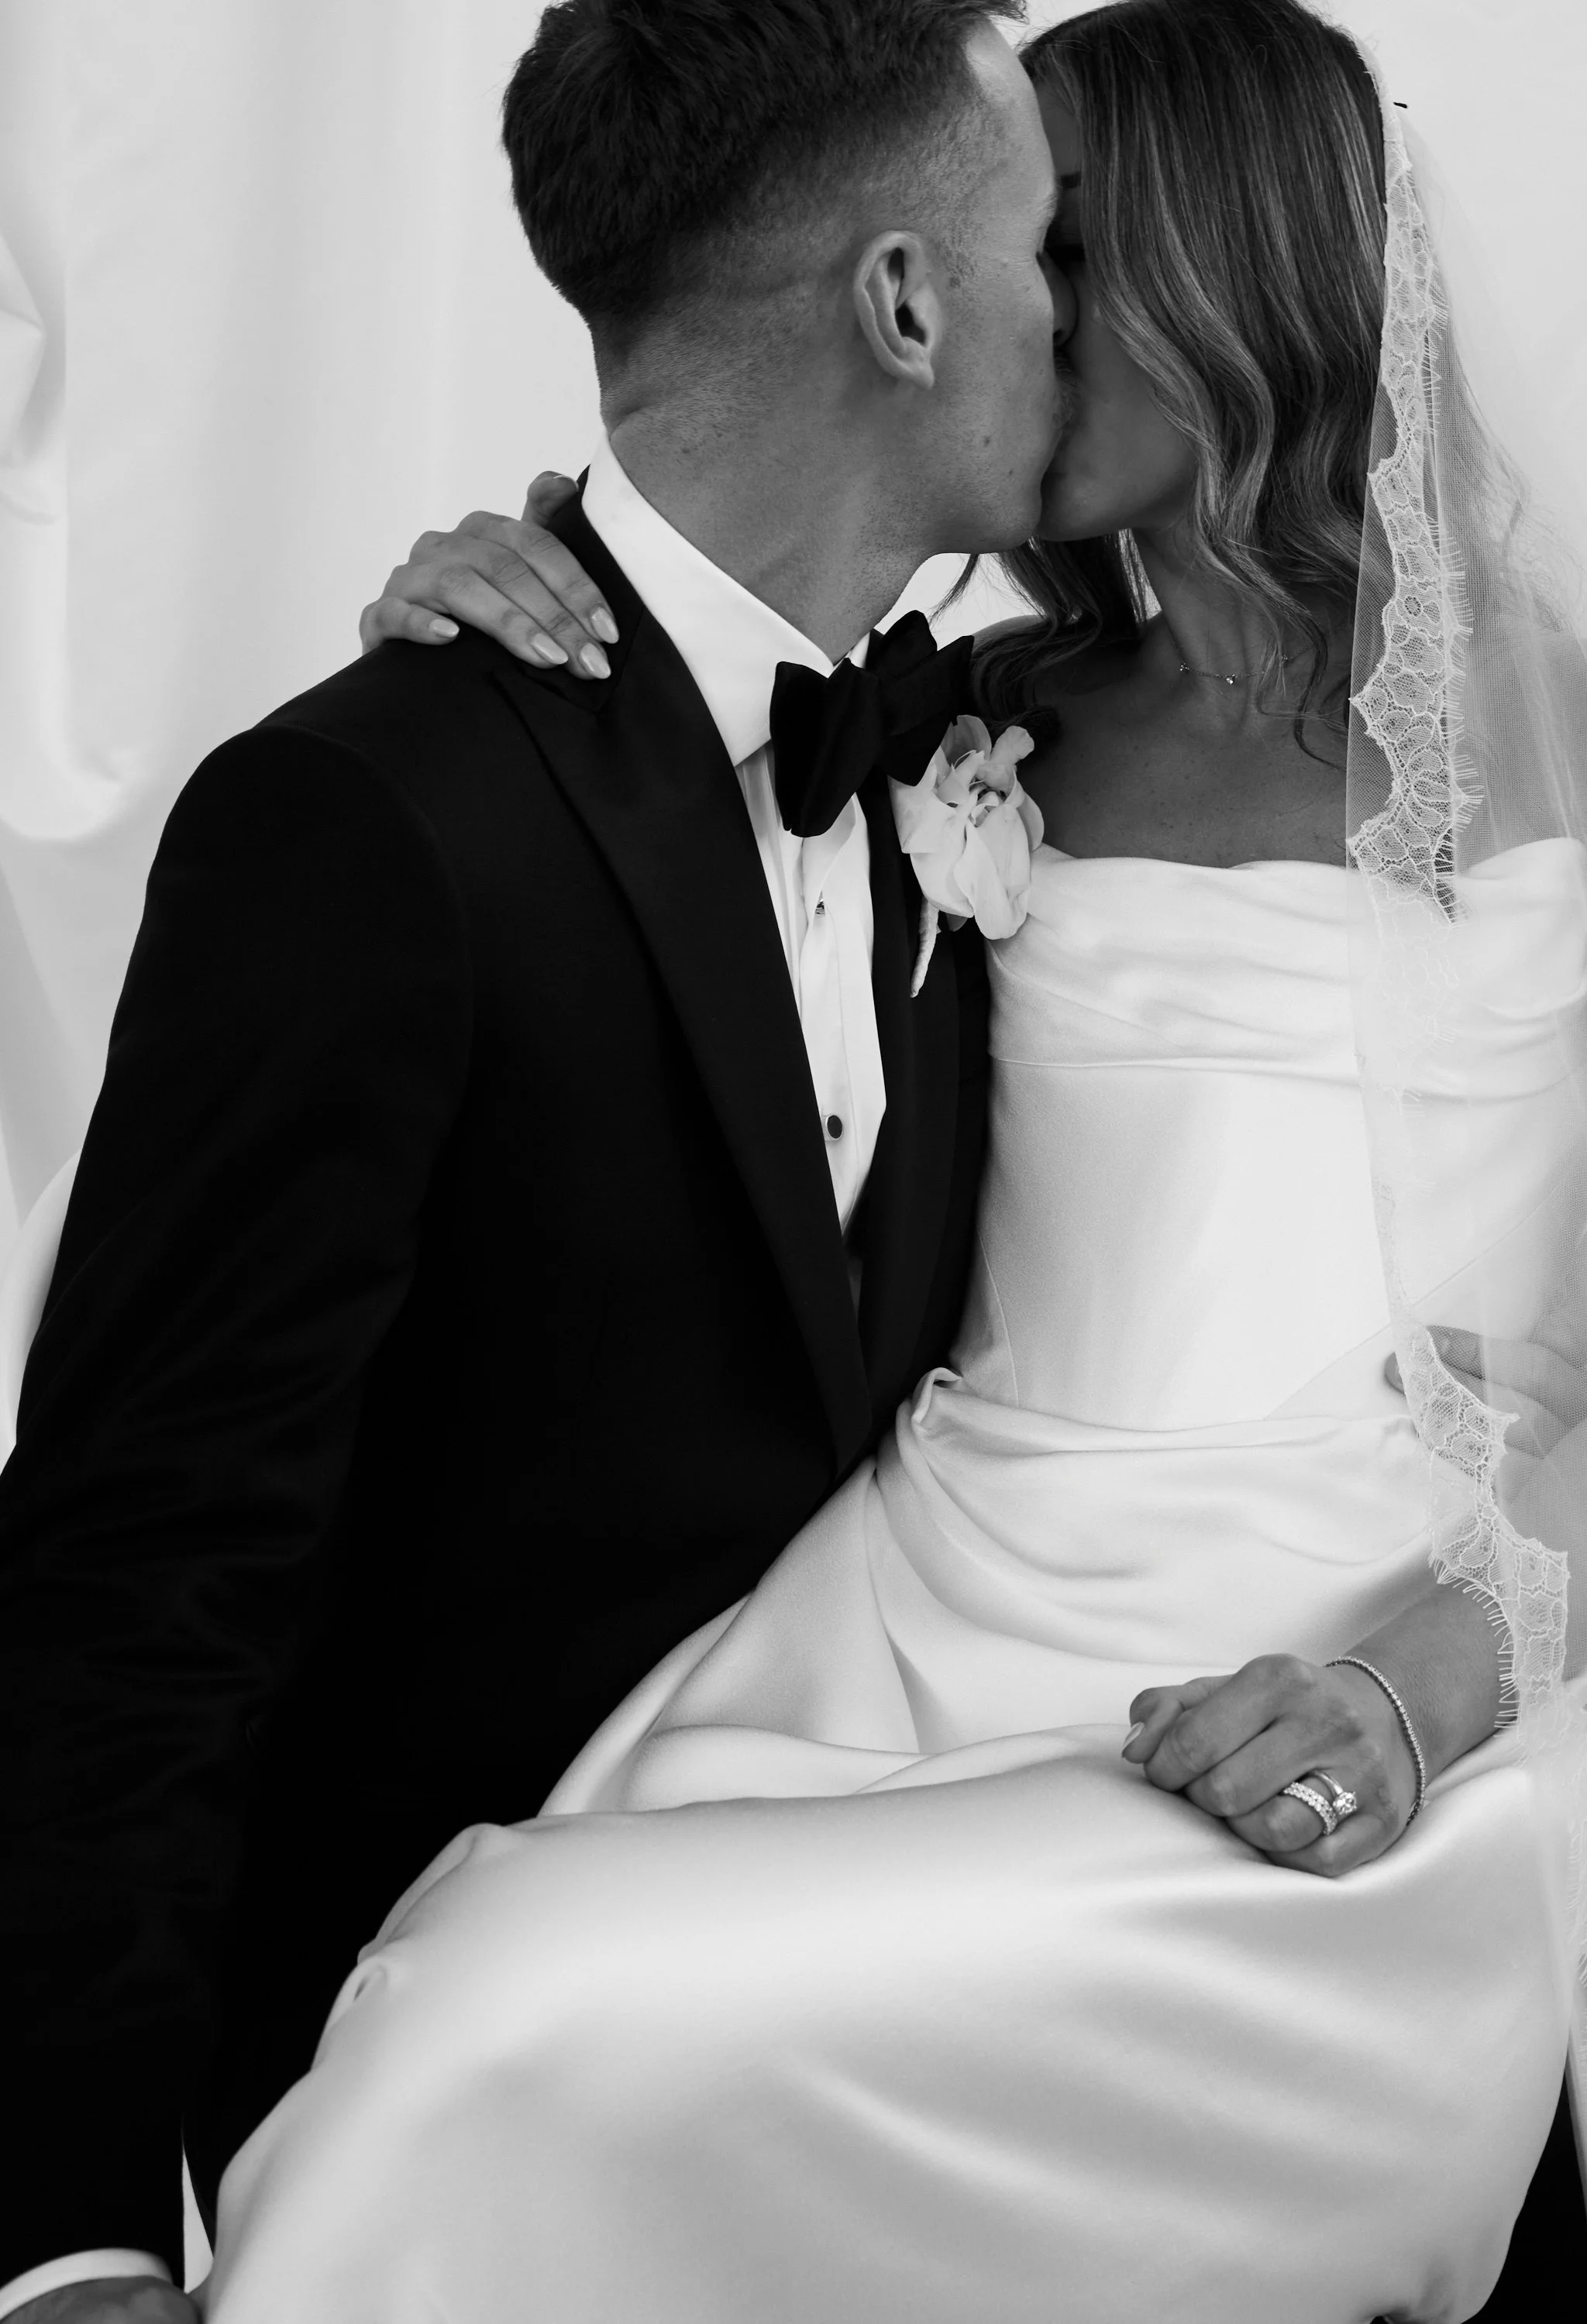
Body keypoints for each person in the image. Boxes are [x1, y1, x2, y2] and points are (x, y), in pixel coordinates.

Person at [190, 3, 1587, 2322]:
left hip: (1350, 1652)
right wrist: (508, 601)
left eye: (1054, 240)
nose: (987, 298)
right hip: (915, 1603)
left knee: (542, 2015)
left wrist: (1406, 1688)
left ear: (1230, 272)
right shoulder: (972, 736)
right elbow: (675, 811)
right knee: (486, 1986)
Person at [0, 5, 1063, 2319]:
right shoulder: (371, 816)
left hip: (913, 2074)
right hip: (460, 2139)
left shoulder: (1006, 756)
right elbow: (137, 1557)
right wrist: (68, 2233)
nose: (1074, 311)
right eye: (1045, 250)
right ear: (904, 301)